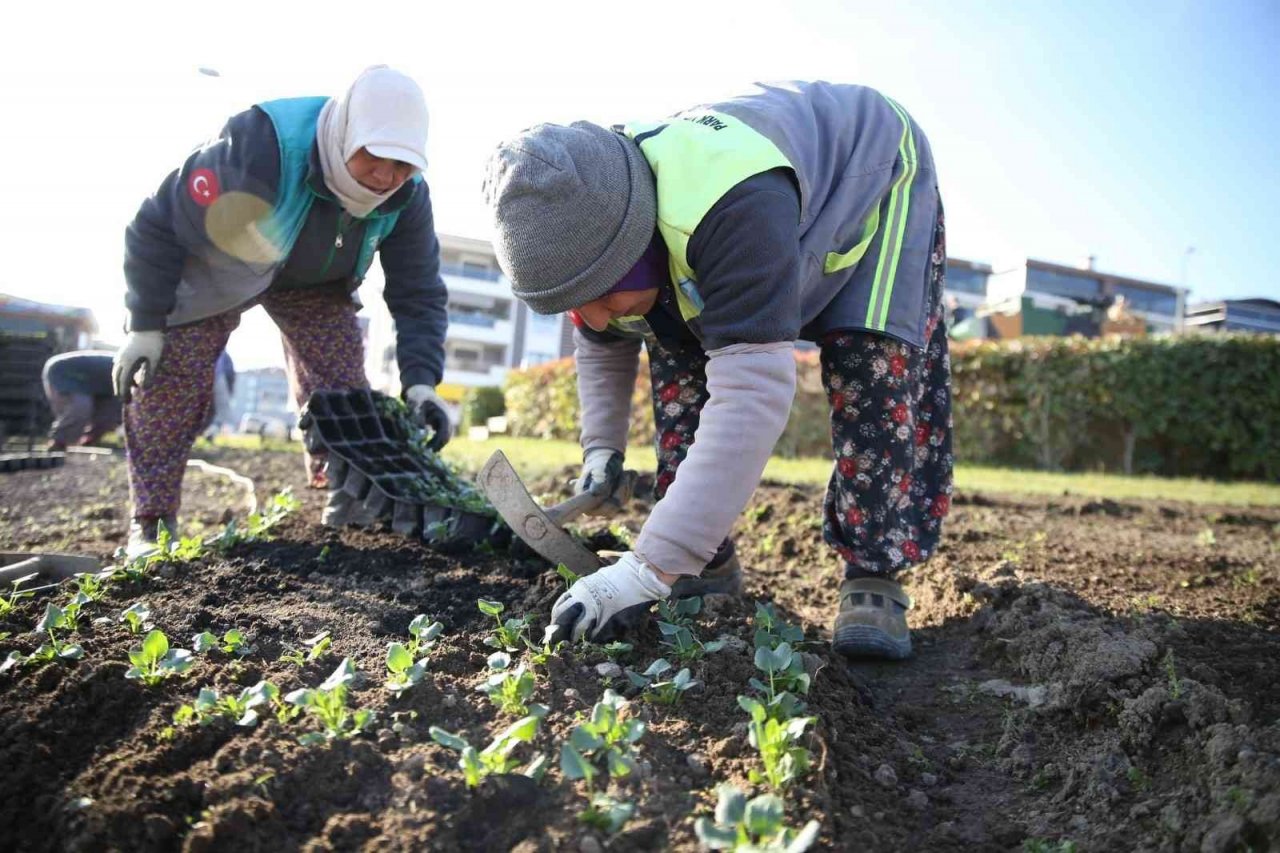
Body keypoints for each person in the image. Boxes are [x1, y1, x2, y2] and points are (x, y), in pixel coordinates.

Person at [484, 81, 954, 660]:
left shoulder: (730, 205)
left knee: (869, 372)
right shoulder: (592, 223)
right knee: (679, 379)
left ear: (636, 238)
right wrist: (600, 452)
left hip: (873, 175)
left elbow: (752, 396)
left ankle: (873, 574)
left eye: (601, 292)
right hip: (727, 236)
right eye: (572, 304)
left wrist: (645, 572)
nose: (592, 315)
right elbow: (602, 341)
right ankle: (705, 560)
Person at [114, 66, 453, 553]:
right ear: (347, 135)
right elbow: (154, 225)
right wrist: (145, 324)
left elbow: (417, 291)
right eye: (374, 156)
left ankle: (346, 497)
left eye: (403, 165)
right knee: (170, 376)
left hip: (316, 280)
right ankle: (151, 523)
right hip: (224, 264)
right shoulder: (259, 147)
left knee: (342, 388)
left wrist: (421, 381)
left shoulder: (407, 197)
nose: (385, 177)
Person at [41, 351, 122, 450]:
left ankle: (90, 440)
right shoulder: (129, 366)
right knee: (81, 407)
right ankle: (59, 442)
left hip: (99, 383)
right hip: (64, 371)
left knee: (112, 412)